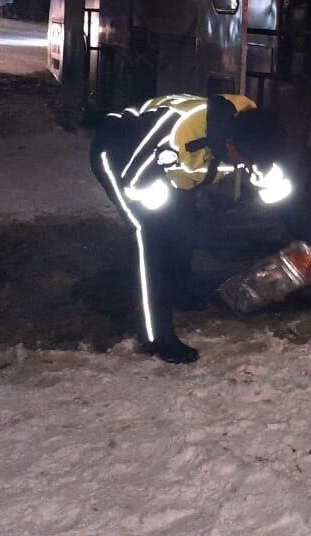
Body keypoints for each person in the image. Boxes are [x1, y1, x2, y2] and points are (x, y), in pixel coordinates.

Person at [89, 93, 289, 363]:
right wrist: (156, 210)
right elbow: (136, 183)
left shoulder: (252, 132)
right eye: (243, 160)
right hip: (123, 152)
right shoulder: (179, 135)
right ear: (229, 144)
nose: (245, 167)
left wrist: (305, 237)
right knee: (149, 235)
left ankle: (179, 293)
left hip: (168, 168)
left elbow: (271, 181)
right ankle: (155, 335)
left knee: (185, 225)